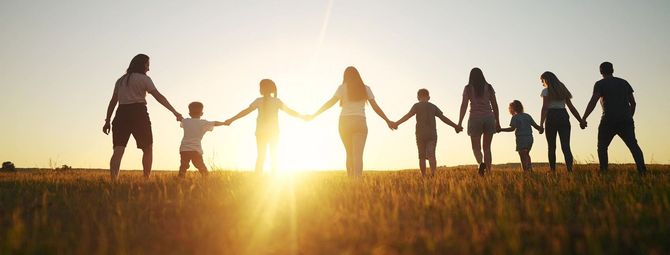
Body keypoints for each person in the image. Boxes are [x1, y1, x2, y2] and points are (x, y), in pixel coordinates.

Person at [102, 54, 183, 181]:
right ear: (142, 65)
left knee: (118, 149)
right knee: (147, 147)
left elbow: (113, 102)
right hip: (139, 113)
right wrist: (174, 112)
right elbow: (158, 97)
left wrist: (107, 120)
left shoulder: (121, 80)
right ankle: (146, 179)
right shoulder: (144, 79)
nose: (148, 69)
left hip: (121, 114)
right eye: (147, 65)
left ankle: (113, 182)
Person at [309, 66, 395, 177]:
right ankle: (357, 182)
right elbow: (375, 107)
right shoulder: (365, 88)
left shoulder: (342, 88)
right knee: (358, 155)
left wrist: (315, 114)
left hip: (344, 122)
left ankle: (350, 182)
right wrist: (387, 120)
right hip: (359, 121)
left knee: (349, 153)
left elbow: (330, 103)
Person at [224, 79, 307, 173]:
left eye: (261, 87)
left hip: (268, 133)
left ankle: (270, 179)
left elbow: (289, 111)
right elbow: (246, 111)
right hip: (265, 133)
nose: (259, 89)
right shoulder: (260, 101)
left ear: (265, 88)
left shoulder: (276, 101)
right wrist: (232, 119)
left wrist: (303, 117)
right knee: (266, 157)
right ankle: (259, 178)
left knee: (268, 157)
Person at [582, 62, 646, 174]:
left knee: (602, 146)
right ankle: (642, 170)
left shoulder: (600, 84)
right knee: (633, 145)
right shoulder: (624, 82)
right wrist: (629, 117)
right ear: (613, 70)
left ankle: (604, 171)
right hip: (625, 120)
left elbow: (593, 102)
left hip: (608, 120)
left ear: (601, 71)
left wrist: (584, 118)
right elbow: (633, 103)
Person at [393, 89, 462, 177]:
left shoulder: (416, 106)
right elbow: (443, 118)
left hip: (420, 134)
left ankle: (423, 175)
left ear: (418, 97)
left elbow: (408, 116)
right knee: (431, 154)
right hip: (432, 135)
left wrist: (396, 123)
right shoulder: (433, 106)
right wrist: (455, 126)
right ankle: (433, 174)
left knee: (421, 156)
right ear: (429, 97)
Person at [457, 68, 501, 176]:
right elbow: (495, 105)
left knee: (476, 147)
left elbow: (464, 105)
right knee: (487, 148)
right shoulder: (489, 87)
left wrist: (460, 122)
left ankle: (481, 163)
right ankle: (489, 171)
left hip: (475, 118)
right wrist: (497, 121)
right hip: (489, 118)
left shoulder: (468, 88)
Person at [539, 71, 585, 172]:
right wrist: (580, 120)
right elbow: (571, 107)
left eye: (542, 81)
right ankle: (570, 170)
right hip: (563, 116)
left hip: (551, 117)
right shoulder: (563, 90)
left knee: (551, 146)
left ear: (546, 80)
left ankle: (552, 170)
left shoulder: (546, 91)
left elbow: (545, 108)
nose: (542, 83)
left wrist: (541, 124)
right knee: (566, 146)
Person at [178, 102, 226, 178]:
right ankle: (206, 180)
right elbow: (215, 123)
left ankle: (180, 181)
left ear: (189, 113)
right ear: (202, 113)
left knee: (183, 167)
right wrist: (224, 123)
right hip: (196, 149)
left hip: (184, 149)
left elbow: (180, 119)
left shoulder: (186, 121)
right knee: (201, 166)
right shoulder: (203, 123)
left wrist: (178, 116)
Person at [499, 100, 543, 172]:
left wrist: (501, 130)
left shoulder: (515, 117)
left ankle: (526, 170)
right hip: (529, 138)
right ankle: (530, 169)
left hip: (521, 138)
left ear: (513, 109)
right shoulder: (527, 116)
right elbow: (535, 126)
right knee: (526, 154)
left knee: (522, 156)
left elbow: (512, 129)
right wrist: (540, 129)